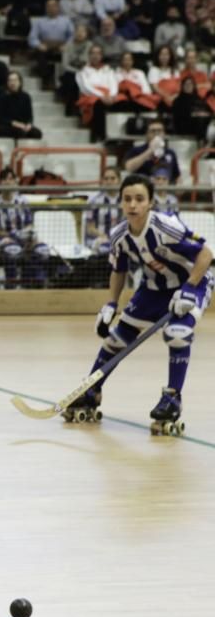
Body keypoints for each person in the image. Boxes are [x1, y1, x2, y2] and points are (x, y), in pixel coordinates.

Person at [67, 174, 213, 434]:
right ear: (121, 203)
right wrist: (111, 304)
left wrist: (189, 288)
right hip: (153, 289)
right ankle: (92, 390)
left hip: (192, 283)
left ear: (150, 203)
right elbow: (119, 270)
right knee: (115, 340)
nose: (133, 205)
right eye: (127, 199)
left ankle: (172, 398)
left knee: (177, 334)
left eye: (139, 199)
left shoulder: (166, 226)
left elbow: (206, 253)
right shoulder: (119, 235)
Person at [0, 167, 49, 289]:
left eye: (11, 179)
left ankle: (35, 285)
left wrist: (29, 237)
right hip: (5, 239)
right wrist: (9, 237)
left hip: (23, 238)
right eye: (4, 179)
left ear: (15, 182)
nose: (8, 182)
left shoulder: (23, 201)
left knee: (42, 250)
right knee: (12, 250)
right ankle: (11, 285)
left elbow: (29, 223)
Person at [123, 118, 181, 183]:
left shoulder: (170, 153)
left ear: (164, 133)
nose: (156, 133)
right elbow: (129, 168)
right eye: (153, 131)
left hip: (165, 190)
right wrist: (149, 151)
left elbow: (177, 176)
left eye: (159, 130)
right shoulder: (136, 150)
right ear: (147, 134)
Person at [84, 166, 122, 255]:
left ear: (119, 180)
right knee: (105, 248)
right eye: (106, 179)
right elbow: (90, 229)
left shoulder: (125, 200)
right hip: (98, 239)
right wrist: (104, 236)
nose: (109, 181)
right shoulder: (94, 200)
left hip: (119, 238)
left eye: (112, 178)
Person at [0, 71, 42, 139]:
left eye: (15, 80)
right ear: (7, 83)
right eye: (10, 80)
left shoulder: (26, 97)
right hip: (8, 125)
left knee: (37, 133)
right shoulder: (2, 97)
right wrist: (14, 123)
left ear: (20, 82)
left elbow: (29, 116)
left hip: (22, 125)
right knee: (18, 132)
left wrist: (29, 124)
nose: (12, 83)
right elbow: (0, 118)